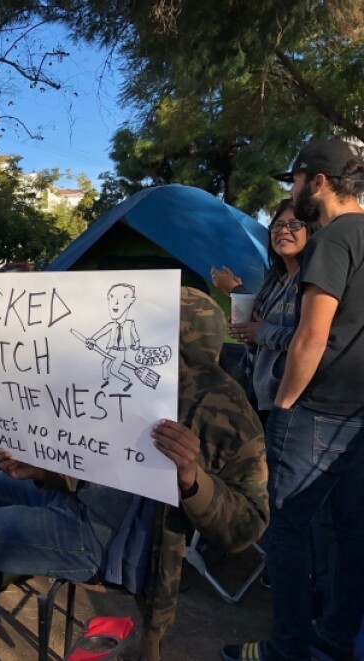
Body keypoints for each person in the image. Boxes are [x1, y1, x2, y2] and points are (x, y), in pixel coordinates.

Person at [0, 287, 268, 661]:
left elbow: (248, 525)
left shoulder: (224, 407)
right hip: (83, 504)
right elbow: (100, 461)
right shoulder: (127, 381)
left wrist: (191, 477)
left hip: (108, 540)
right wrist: (42, 470)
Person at [223, 139, 364, 661]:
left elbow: (311, 336)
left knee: (287, 529)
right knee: (351, 532)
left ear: (320, 182)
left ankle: (287, 647)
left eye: (296, 180)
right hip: (359, 413)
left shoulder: (332, 238)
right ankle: (336, 635)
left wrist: (282, 406)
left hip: (317, 410)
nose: (292, 191)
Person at [211, 200, 310, 425]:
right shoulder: (276, 281)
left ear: (311, 232)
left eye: (294, 225)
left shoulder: (311, 283)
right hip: (262, 397)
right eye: (277, 226)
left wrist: (261, 332)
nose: (284, 230)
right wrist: (248, 332)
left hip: (293, 404)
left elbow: (311, 340)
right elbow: (261, 331)